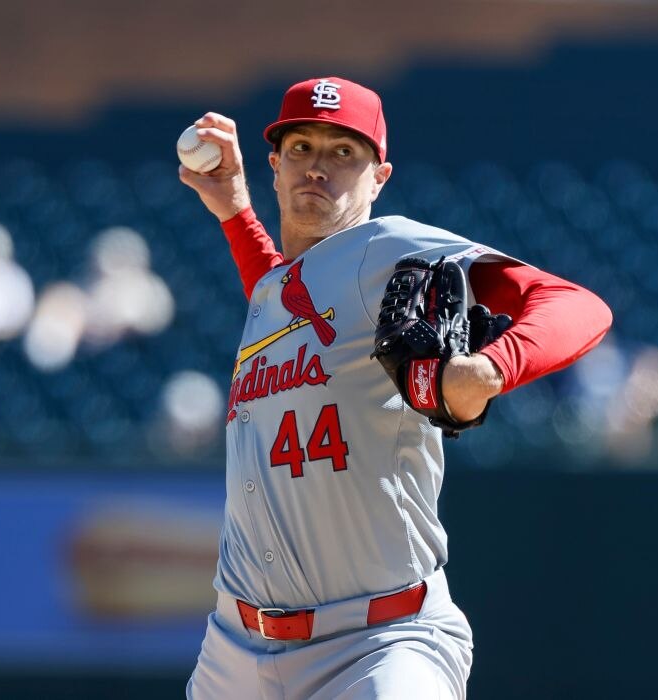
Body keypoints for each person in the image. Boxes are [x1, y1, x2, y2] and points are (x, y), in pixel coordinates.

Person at [179, 76, 612, 699]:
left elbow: (576, 304)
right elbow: (291, 298)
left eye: (343, 153)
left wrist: (489, 370)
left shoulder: (386, 247)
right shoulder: (278, 293)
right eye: (301, 149)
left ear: (379, 177)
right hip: (234, 651)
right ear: (273, 166)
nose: (318, 168)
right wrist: (235, 213)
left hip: (377, 645)